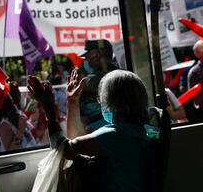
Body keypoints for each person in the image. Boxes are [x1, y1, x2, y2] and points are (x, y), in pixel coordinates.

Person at [27, 69, 156, 192]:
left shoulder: (115, 135)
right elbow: (77, 141)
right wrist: (73, 102)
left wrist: (48, 107)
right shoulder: (142, 130)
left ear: (109, 100)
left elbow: (65, 149)